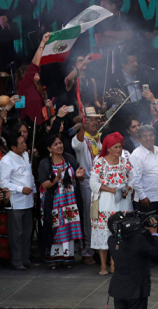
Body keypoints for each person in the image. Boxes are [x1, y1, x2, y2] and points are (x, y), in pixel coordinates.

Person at [38, 134, 85, 269]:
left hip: (69, 201)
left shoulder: (69, 158)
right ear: (49, 148)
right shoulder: (45, 163)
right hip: (53, 203)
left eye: (60, 143)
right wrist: (56, 179)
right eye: (55, 144)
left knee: (69, 228)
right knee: (55, 229)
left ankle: (67, 257)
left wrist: (79, 177)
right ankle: (53, 258)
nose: (59, 146)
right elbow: (44, 185)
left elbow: (78, 176)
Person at [89, 133, 133, 275]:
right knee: (104, 232)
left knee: (119, 233)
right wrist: (111, 189)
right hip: (105, 202)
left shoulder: (125, 162)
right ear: (108, 148)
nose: (119, 150)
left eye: (120, 146)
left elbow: (132, 179)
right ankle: (103, 265)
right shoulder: (100, 162)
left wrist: (127, 188)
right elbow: (93, 183)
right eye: (116, 147)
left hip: (121, 203)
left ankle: (115, 264)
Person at [107, 212, 158, 309]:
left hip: (119, 288)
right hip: (137, 288)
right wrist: (154, 233)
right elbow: (155, 253)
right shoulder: (138, 239)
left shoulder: (111, 240)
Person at [129, 125, 158, 261]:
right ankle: (147, 258)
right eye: (145, 136)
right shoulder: (136, 155)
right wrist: (143, 196)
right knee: (146, 229)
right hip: (145, 199)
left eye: (151, 135)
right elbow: (135, 179)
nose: (148, 138)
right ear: (139, 138)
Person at [71, 107, 103, 265]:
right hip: (86, 183)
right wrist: (82, 127)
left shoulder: (98, 138)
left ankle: (99, 248)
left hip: (100, 184)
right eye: (90, 119)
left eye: (96, 119)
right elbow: (77, 145)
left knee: (98, 216)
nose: (94, 122)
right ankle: (87, 250)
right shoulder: (82, 138)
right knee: (88, 217)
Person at [0, 133, 36, 271]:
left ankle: (25, 258)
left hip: (28, 200)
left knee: (27, 232)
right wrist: (20, 189)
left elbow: (29, 174)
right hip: (16, 201)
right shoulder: (6, 161)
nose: (25, 144)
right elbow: (3, 182)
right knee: (16, 233)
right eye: (21, 143)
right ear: (13, 147)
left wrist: (33, 191)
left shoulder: (25, 155)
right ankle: (16, 260)